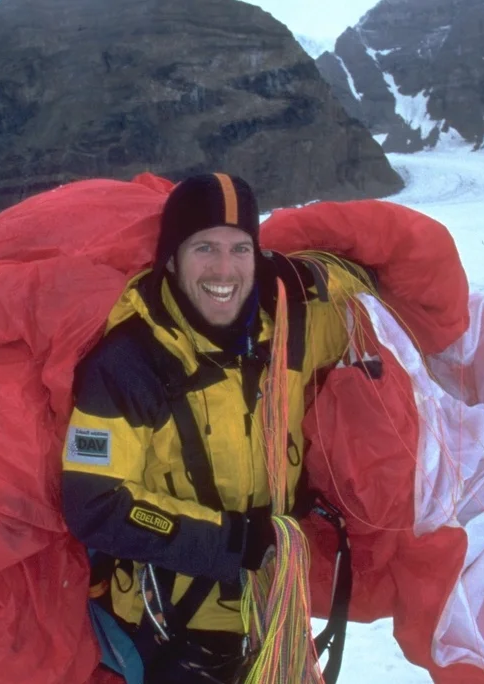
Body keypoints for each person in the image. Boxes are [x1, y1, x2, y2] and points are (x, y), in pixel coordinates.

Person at [60, 172, 376, 683]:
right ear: (171, 259)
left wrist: (314, 274)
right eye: (204, 247)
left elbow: (382, 292)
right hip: (171, 627)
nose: (223, 269)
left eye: (241, 249)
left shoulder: (290, 336)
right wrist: (231, 542)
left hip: (275, 613)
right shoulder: (130, 365)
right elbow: (94, 502)